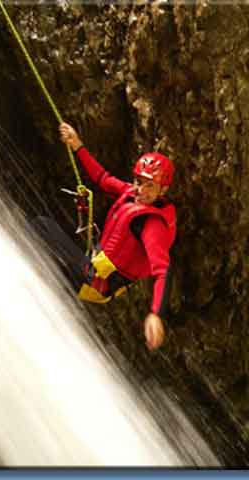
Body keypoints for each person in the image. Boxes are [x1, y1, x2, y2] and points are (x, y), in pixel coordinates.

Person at [47, 122, 176, 351]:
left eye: (150, 186)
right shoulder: (131, 193)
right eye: (139, 182)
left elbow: (162, 271)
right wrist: (77, 145)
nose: (141, 191)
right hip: (92, 266)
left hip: (95, 283)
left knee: (42, 227)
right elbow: (102, 178)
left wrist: (156, 314)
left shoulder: (150, 224)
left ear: (162, 191)